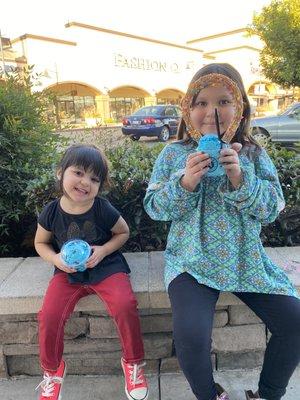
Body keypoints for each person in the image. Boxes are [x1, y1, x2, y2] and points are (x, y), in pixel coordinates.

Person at [143, 63, 300, 400]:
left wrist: (242, 180)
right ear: (187, 109)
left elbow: (273, 208)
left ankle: (268, 394)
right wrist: (185, 182)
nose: (211, 111)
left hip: (245, 261)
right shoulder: (174, 154)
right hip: (191, 261)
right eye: (201, 102)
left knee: (295, 324)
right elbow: (154, 207)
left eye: (224, 101)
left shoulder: (254, 155)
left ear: (240, 107)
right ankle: (209, 395)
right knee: (192, 337)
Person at [34, 144, 148, 400]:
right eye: (78, 173)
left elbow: (123, 232)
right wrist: (55, 258)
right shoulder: (51, 211)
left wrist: (104, 250)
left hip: (106, 267)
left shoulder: (102, 208)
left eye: (94, 179)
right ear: (60, 172)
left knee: (124, 304)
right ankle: (52, 371)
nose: (85, 182)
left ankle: (133, 363)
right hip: (67, 271)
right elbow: (40, 243)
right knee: (49, 314)